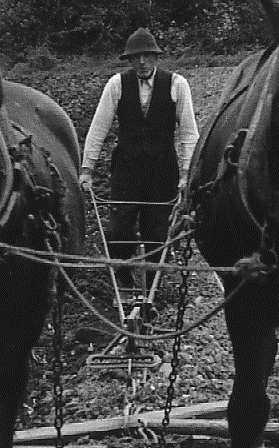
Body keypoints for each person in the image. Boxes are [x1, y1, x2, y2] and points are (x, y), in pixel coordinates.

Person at [79, 28, 199, 288]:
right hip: (127, 167)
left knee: (157, 231)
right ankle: (124, 280)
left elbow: (189, 134)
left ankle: (152, 287)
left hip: (162, 168)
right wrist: (87, 169)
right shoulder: (117, 84)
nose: (142, 62)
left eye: (147, 56)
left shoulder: (177, 84)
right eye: (136, 57)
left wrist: (186, 174)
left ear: (156, 57)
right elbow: (98, 128)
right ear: (130, 60)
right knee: (119, 230)